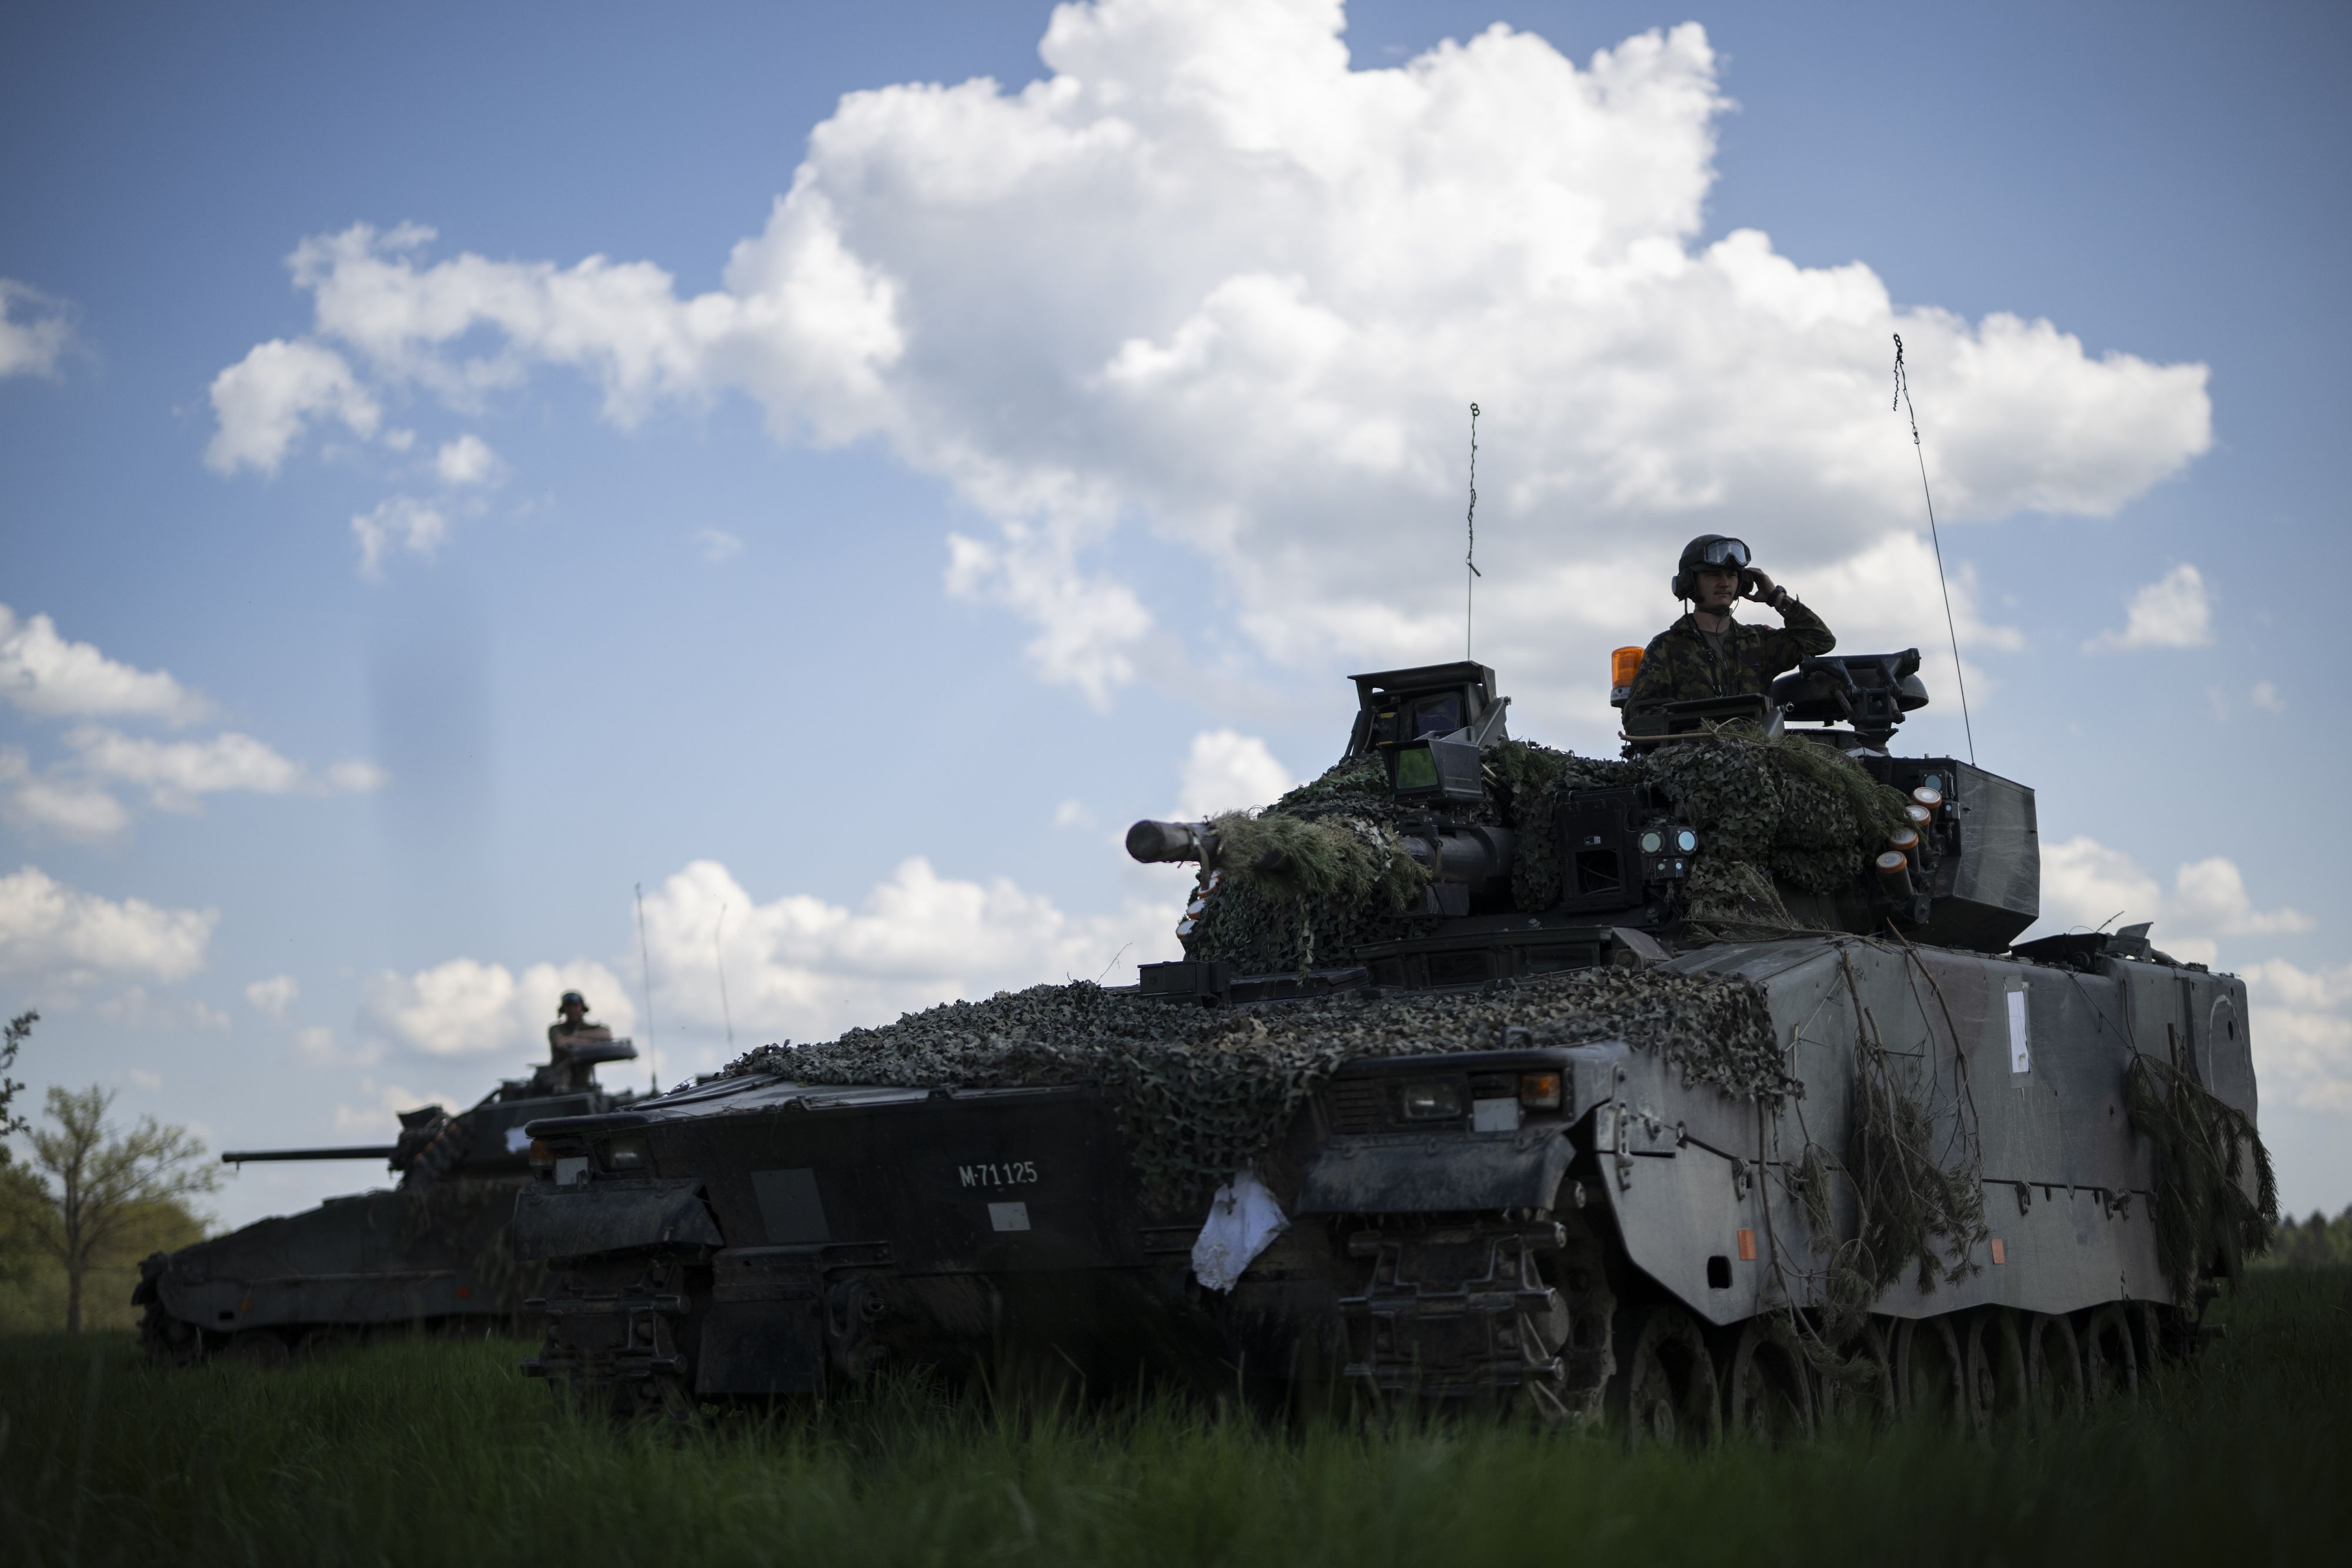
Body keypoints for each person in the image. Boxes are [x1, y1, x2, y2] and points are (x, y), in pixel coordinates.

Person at [1625, 535, 1835, 706]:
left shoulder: (1759, 643)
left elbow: (1821, 640)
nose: (1725, 583)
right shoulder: (1667, 648)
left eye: (1732, 576)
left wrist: (1776, 597)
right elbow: (1639, 715)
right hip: (1694, 754)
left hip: (1754, 755)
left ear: (1742, 583)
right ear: (1689, 583)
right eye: (1713, 575)